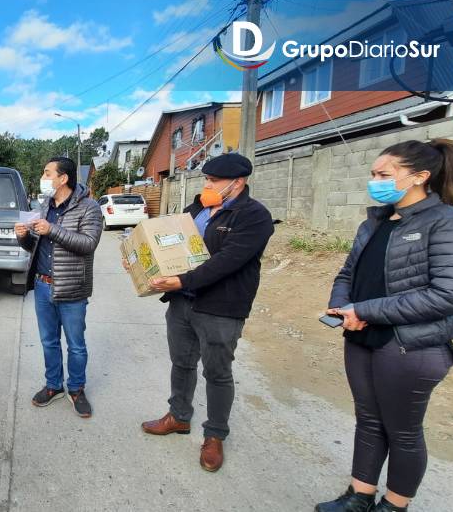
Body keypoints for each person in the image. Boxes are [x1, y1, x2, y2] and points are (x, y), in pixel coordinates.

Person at [316, 139, 453, 512]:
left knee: (404, 431)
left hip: (411, 345)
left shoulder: (444, 222)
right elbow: (349, 272)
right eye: (372, 174)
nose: (374, 181)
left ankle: (394, 505)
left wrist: (366, 309)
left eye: (384, 174)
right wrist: (340, 304)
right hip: (361, 336)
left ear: (420, 177)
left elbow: (448, 294)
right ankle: (359, 496)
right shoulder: (375, 220)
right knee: (368, 419)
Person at [132, 152, 273, 472]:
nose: (206, 184)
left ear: (238, 182)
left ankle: (215, 435)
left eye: (213, 180)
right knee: (182, 363)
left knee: (217, 372)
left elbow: (227, 262)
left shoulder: (254, 216)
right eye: (205, 179)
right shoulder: (195, 208)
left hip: (221, 308)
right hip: (182, 302)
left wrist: (181, 279)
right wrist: (141, 260)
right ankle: (179, 417)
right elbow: (166, 245)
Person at [14, 156, 102, 418]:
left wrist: (51, 229)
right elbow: (37, 247)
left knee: (76, 344)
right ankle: (54, 385)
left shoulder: (89, 208)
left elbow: (88, 244)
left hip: (72, 287)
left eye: (47, 173)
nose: (43, 178)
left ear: (63, 178)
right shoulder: (44, 207)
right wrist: (23, 238)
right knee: (48, 341)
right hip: (43, 285)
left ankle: (76, 388)